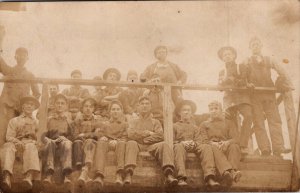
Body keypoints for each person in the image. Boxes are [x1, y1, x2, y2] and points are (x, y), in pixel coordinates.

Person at [243, 37, 291, 156]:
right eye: (253, 44)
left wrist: (281, 81)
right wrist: (247, 83)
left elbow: (282, 71)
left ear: (261, 46)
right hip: (255, 95)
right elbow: (242, 75)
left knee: (274, 120)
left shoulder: (270, 59)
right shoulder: (247, 60)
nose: (256, 46)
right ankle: (264, 148)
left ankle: (278, 147)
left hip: (269, 94)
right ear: (250, 47)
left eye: (258, 44)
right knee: (258, 121)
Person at [125, 96, 178, 187]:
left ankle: (168, 174)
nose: (144, 106)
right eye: (142, 104)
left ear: (150, 107)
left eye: (147, 104)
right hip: (137, 145)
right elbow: (130, 134)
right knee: (131, 143)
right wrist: (147, 133)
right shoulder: (133, 121)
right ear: (138, 106)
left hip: (151, 146)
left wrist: (144, 139)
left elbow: (160, 136)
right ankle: (128, 174)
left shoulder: (156, 122)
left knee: (163, 145)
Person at [173, 100, 220, 187]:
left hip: (193, 147)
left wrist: (194, 143)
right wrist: (182, 142)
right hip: (180, 147)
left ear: (191, 113)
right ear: (179, 112)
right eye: (184, 110)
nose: (186, 112)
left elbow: (199, 141)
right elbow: (171, 141)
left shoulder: (195, 127)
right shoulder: (174, 126)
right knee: (178, 147)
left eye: (189, 110)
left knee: (206, 147)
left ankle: (210, 177)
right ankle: (181, 178)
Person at [0, 47, 40, 146]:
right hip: (7, 106)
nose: (21, 57)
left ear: (27, 58)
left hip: (22, 108)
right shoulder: (8, 71)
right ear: (15, 57)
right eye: (19, 55)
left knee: (21, 131)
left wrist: (29, 104)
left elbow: (37, 93)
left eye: (24, 55)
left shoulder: (30, 75)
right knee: (3, 129)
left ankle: (18, 154)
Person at [217, 46, 253, 155]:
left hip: (242, 97)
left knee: (248, 116)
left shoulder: (240, 67)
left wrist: (230, 80)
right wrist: (223, 82)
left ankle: (243, 145)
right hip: (229, 98)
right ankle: (234, 147)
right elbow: (220, 87)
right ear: (222, 58)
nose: (227, 56)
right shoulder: (222, 71)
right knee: (230, 123)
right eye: (224, 55)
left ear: (234, 56)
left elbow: (243, 80)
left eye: (229, 54)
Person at [1, 96, 41, 190]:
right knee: (7, 146)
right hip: (16, 143)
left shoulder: (37, 122)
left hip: (30, 143)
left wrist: (33, 139)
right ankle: (6, 177)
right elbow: (9, 137)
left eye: (31, 105)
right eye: (27, 104)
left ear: (34, 108)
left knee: (31, 146)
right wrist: (17, 141)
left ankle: (29, 177)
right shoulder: (14, 121)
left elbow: (40, 139)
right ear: (22, 106)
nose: (29, 106)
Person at [200, 101, 242, 186]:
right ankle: (227, 172)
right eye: (211, 109)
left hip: (226, 147)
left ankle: (233, 170)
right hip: (213, 147)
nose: (213, 111)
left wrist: (227, 142)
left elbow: (236, 138)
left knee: (234, 146)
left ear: (221, 110)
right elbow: (203, 140)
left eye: (216, 108)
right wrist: (213, 143)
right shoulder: (204, 124)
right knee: (212, 147)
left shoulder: (229, 123)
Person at [93, 100, 128, 188]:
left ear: (121, 111)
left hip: (119, 144)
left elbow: (126, 136)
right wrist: (102, 137)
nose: (115, 111)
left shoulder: (125, 124)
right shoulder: (105, 124)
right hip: (107, 144)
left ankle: (119, 174)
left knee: (122, 143)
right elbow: (99, 133)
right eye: (113, 109)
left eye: (117, 109)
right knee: (101, 143)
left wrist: (117, 140)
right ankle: (99, 175)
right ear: (109, 111)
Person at [41, 94, 73, 187]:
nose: (60, 105)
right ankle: (48, 175)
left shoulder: (69, 121)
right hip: (51, 142)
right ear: (54, 105)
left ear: (66, 106)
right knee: (50, 143)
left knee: (67, 144)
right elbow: (42, 135)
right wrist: (47, 139)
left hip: (63, 143)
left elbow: (74, 136)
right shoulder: (49, 120)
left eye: (62, 103)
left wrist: (66, 138)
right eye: (58, 103)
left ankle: (67, 175)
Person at [72, 98, 103, 187]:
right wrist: (90, 134)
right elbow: (75, 134)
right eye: (86, 106)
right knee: (78, 142)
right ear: (82, 108)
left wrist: (85, 135)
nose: (88, 109)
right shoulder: (78, 120)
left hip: (92, 145)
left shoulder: (97, 120)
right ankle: (85, 173)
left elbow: (98, 134)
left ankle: (85, 170)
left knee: (89, 142)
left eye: (90, 107)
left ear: (93, 109)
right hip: (80, 145)